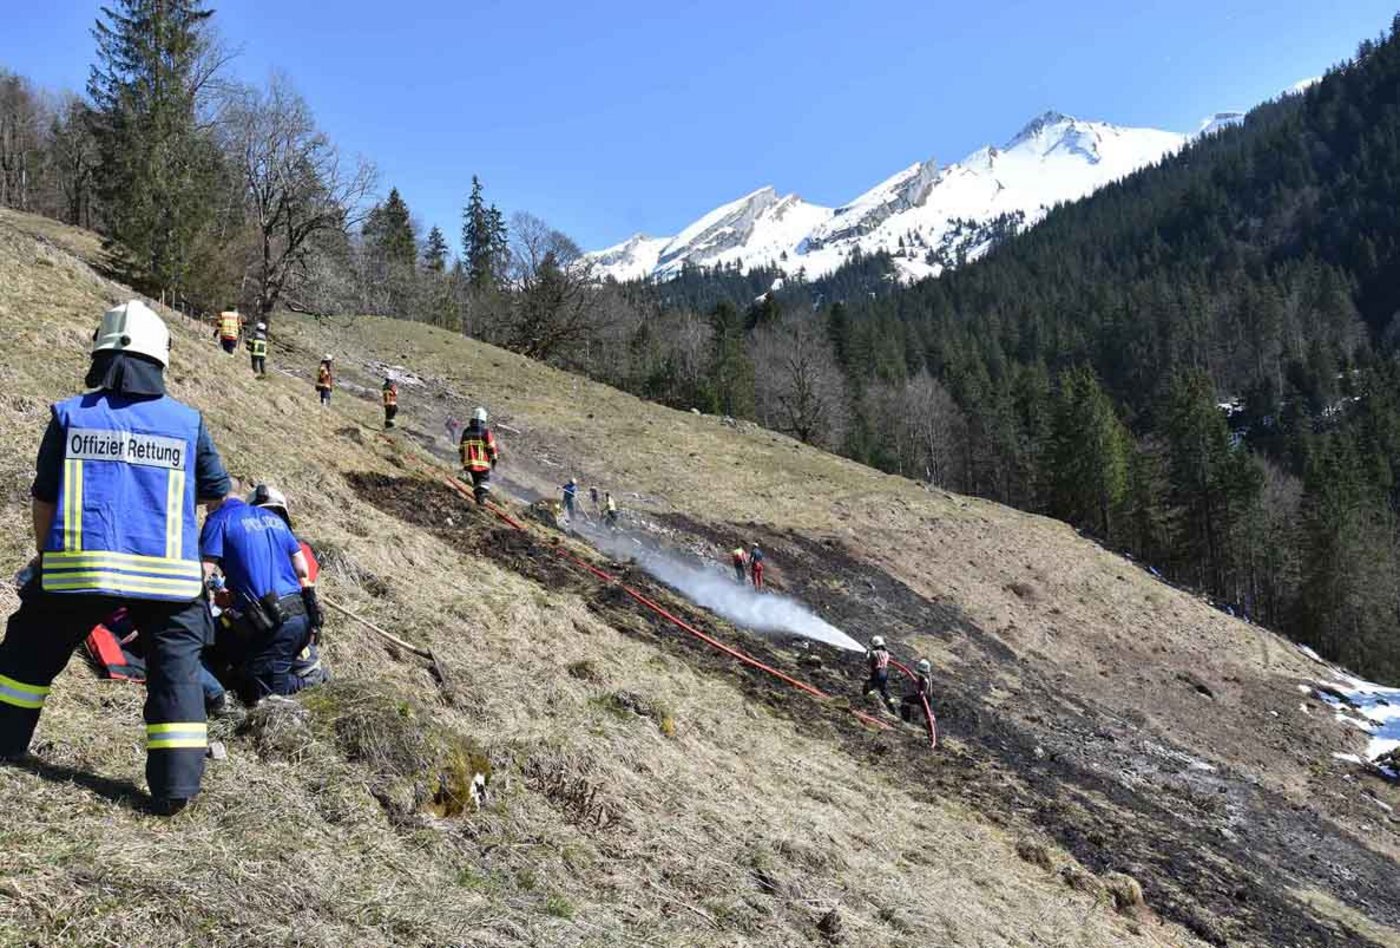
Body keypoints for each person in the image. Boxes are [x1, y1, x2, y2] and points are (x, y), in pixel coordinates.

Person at [0, 300, 231, 815]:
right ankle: (175, 790)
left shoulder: (69, 416)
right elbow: (220, 495)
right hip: (169, 582)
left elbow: (44, 498)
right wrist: (207, 561)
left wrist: (45, 561)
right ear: (160, 360)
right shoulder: (187, 423)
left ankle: (4, 742)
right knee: (176, 677)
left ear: (100, 354)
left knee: (25, 658)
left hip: (78, 569)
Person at [199, 485, 323, 704]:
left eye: (206, 505)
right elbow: (302, 570)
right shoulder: (274, 520)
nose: (205, 511)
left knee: (258, 697)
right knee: (237, 664)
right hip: (299, 618)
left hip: (271, 624)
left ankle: (311, 682)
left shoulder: (219, 520)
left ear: (212, 501)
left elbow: (201, 574)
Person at [459, 407, 500, 504]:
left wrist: (463, 460)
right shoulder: (485, 432)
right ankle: (481, 498)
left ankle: (478, 498)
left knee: (476, 481)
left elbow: (461, 448)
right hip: (482, 463)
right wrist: (494, 459)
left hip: (469, 463)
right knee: (484, 481)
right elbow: (492, 447)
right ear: (483, 420)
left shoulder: (466, 431)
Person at [863, 636, 895, 711]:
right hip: (885, 673)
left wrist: (867, 654)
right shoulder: (886, 653)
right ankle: (892, 705)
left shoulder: (873, 653)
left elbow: (869, 662)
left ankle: (869, 702)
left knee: (869, 686)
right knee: (883, 689)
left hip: (878, 673)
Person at [900, 658, 935, 724]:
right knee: (928, 712)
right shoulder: (928, 675)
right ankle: (931, 726)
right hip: (928, 697)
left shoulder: (922, 677)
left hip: (923, 697)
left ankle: (905, 720)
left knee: (905, 700)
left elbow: (922, 689)